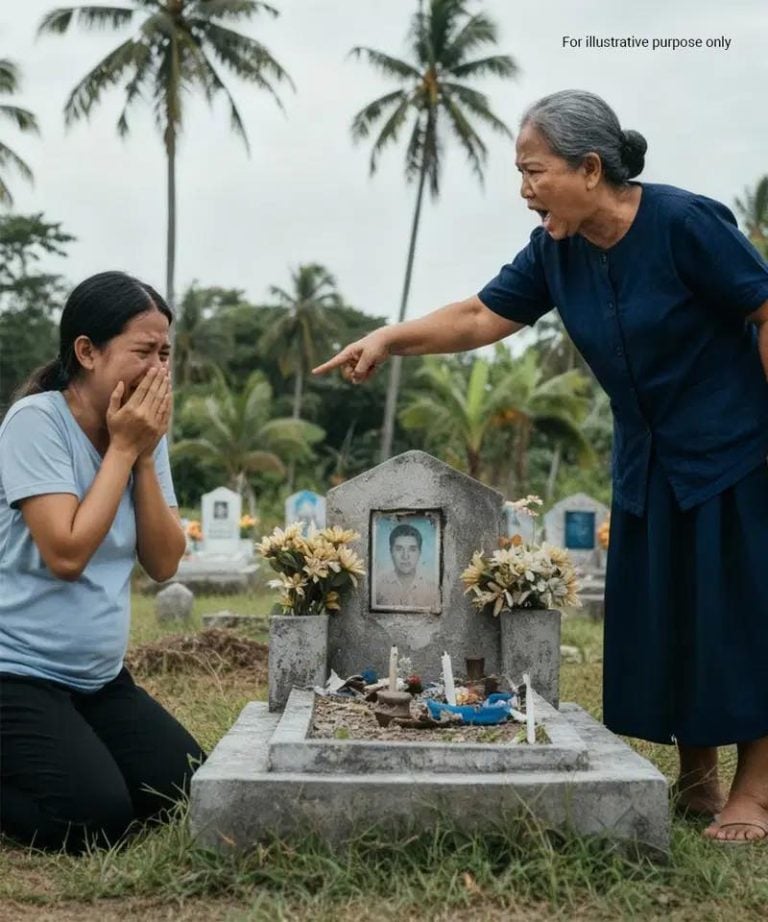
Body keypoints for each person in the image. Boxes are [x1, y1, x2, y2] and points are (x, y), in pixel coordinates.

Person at [313, 90, 768, 844]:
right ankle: (699, 780)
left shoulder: (686, 223)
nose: (524, 189)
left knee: (743, 617)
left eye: (534, 171)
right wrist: (390, 337)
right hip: (650, 459)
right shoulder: (555, 249)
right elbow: (480, 316)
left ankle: (754, 795)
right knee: (675, 616)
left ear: (590, 169)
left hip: (735, 451)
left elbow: (762, 306)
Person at [0, 271, 205, 853]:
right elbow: (66, 553)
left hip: (96, 679)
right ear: (87, 352)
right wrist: (121, 447)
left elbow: (164, 562)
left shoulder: (145, 435)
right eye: (144, 352)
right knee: (94, 819)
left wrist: (140, 455)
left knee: (183, 788)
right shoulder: (36, 422)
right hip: (15, 673)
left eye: (166, 354)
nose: (159, 369)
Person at [375, 522, 437, 608]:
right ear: (391, 552)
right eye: (399, 549)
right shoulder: (377, 587)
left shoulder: (433, 590)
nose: (405, 556)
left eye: (412, 549)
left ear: (420, 552)